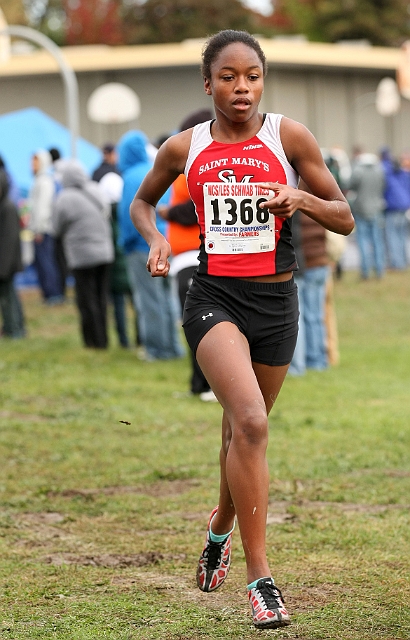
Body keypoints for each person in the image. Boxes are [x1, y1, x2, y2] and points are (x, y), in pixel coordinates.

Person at [128, 30, 354, 629]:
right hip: (214, 296)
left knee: (240, 436)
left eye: (251, 76)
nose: (241, 88)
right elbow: (142, 203)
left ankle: (219, 527)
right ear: (208, 84)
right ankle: (261, 580)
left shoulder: (289, 138)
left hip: (277, 303)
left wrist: (299, 197)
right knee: (250, 423)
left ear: (263, 80)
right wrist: (154, 240)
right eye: (228, 77)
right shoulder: (185, 147)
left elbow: (345, 218)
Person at [158, 108, 216, 400]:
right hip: (187, 256)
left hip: (195, 255)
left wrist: (169, 212)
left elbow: (201, 203)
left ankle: (208, 384)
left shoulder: (199, 166)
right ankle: (198, 384)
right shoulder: (189, 165)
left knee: (201, 324)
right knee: (194, 324)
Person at [117, 130, 184, 361]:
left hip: (142, 244)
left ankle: (157, 349)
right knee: (167, 298)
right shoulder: (156, 170)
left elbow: (130, 215)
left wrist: (125, 243)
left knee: (148, 299)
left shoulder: (130, 177)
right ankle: (174, 347)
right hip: (168, 242)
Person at [52, 160, 114, 349]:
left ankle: (93, 341)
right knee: (101, 297)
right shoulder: (96, 190)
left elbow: (56, 228)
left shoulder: (64, 198)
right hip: (105, 252)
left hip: (82, 256)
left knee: (86, 299)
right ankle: (104, 339)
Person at [28, 149, 64, 305]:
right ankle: (48, 293)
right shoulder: (40, 180)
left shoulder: (44, 181)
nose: (32, 165)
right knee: (43, 262)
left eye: (35, 161)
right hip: (39, 229)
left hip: (43, 230)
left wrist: (39, 228)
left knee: (46, 262)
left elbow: (43, 208)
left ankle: (53, 294)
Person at [349, 152, 385, 279]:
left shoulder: (359, 171)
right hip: (376, 209)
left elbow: (351, 185)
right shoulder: (379, 171)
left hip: (361, 209)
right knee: (377, 241)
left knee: (363, 241)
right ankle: (380, 270)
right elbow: (383, 186)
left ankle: (365, 272)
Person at [0, 169, 25, 339]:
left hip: (6, 263)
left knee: (8, 298)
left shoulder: (7, 207)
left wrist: (3, 268)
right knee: (9, 296)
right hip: (5, 262)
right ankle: (11, 327)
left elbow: (9, 239)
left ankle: (15, 329)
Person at [380, 147, 409, 270]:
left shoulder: (387, 172)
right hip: (404, 207)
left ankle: (397, 264)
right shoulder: (404, 174)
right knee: (402, 236)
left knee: (393, 237)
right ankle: (404, 261)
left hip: (392, 209)